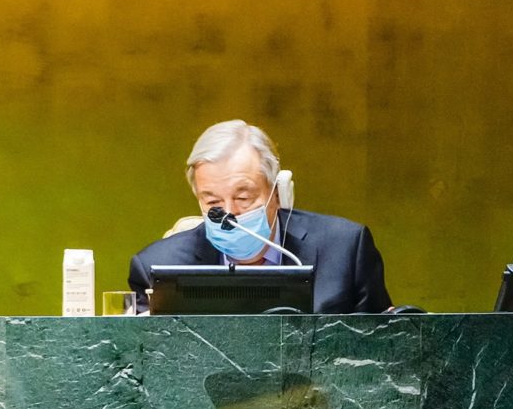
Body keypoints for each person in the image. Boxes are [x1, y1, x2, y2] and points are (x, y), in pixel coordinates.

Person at [127, 119, 391, 313]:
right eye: (213, 202)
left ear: (277, 193)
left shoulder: (345, 248)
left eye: (244, 198)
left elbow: (382, 355)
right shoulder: (155, 268)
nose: (229, 215)